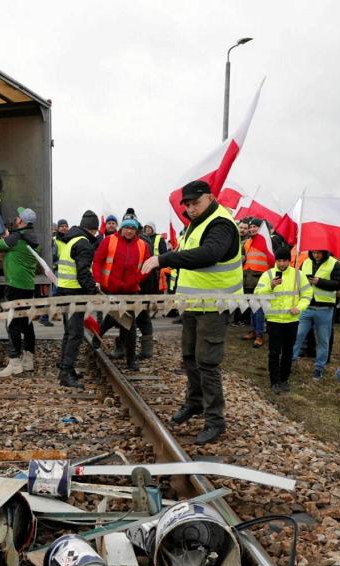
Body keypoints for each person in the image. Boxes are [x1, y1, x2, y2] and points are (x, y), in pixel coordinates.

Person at [140, 180, 240, 444]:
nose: (191, 208)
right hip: (194, 305)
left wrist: (164, 258)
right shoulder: (194, 225)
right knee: (189, 357)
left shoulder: (221, 224)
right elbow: (190, 254)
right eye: (187, 204)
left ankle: (215, 420)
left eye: (195, 203)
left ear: (210, 198)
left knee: (207, 362)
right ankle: (195, 403)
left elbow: (209, 254)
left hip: (214, 306)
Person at [93, 219, 150, 370]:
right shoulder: (109, 241)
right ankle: (98, 336)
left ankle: (130, 359)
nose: (130, 231)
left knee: (129, 324)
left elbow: (146, 267)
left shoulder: (142, 245)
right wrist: (97, 280)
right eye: (127, 228)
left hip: (130, 290)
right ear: (121, 228)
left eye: (133, 228)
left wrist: (136, 280)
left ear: (136, 230)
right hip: (111, 288)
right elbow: (97, 261)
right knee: (114, 317)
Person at [0, 207, 39, 376]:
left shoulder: (17, 238)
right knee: (26, 323)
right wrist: (9, 237)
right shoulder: (32, 238)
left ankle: (14, 362)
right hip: (27, 286)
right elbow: (16, 247)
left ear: (21, 221)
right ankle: (28, 360)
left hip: (14, 286)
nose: (16, 218)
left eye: (18, 217)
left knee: (12, 324)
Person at [256, 246, 311, 393]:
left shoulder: (299, 275)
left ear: (290, 260)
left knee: (288, 352)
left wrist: (299, 307)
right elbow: (258, 294)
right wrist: (270, 286)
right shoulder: (268, 275)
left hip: (291, 320)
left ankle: (284, 379)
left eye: (285, 260)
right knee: (274, 352)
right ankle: (274, 381)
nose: (282, 264)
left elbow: (307, 295)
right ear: (276, 260)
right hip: (274, 320)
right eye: (279, 260)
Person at [56, 210, 99, 388]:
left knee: (69, 331)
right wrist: (93, 290)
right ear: (93, 229)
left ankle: (65, 367)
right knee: (76, 334)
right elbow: (82, 273)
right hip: (75, 292)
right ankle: (66, 373)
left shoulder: (69, 239)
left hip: (64, 290)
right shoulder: (84, 244)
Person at [291, 248, 340, 380]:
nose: (316, 255)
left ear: (325, 252)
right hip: (306, 306)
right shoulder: (306, 262)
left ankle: (319, 368)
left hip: (324, 309)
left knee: (323, 341)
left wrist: (319, 282)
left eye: (319, 252)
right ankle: (290, 361)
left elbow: (339, 284)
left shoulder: (334, 263)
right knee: (297, 336)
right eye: (314, 252)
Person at [137, 222, 171, 359]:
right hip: (141, 282)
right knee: (138, 317)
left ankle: (145, 349)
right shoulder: (143, 240)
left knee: (141, 316)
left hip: (146, 281)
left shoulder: (146, 242)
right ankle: (138, 348)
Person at [241, 217, 271, 347]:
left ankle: (259, 335)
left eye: (255, 226)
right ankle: (254, 331)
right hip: (247, 279)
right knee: (252, 308)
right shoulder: (246, 242)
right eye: (251, 226)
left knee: (258, 309)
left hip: (261, 280)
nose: (252, 228)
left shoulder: (267, 242)